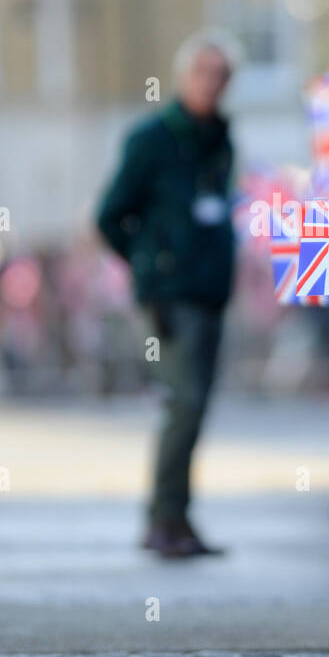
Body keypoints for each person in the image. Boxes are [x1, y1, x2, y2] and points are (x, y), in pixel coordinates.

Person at [96, 31, 240, 558]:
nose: (212, 83)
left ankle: (178, 518)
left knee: (196, 408)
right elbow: (110, 215)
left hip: (209, 293)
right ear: (183, 77)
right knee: (183, 403)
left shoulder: (221, 139)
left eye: (221, 75)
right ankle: (162, 520)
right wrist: (149, 265)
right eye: (203, 72)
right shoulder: (152, 138)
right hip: (168, 296)